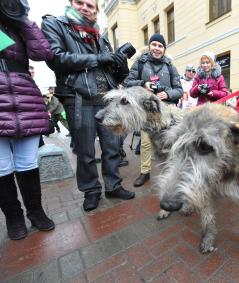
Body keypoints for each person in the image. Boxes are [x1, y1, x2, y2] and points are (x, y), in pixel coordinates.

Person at [41, 0, 135, 211]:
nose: (85, 7)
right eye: (79, 2)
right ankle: (91, 191)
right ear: (71, 4)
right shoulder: (55, 24)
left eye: (90, 5)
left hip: (108, 100)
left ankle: (113, 185)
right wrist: (97, 58)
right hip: (78, 98)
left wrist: (120, 66)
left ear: (95, 11)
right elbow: (55, 58)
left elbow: (113, 72)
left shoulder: (100, 36)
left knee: (112, 148)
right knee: (85, 152)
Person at [0, 0, 55, 240]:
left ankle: (36, 212)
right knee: (1, 168)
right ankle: (14, 217)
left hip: (25, 100)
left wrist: (21, 17)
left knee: (28, 163)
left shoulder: (16, 25)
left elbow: (43, 52)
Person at [125, 33, 183, 187]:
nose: (157, 48)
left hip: (168, 110)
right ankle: (145, 172)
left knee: (171, 142)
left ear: (164, 49)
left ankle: (172, 172)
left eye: (160, 46)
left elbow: (179, 90)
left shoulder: (170, 66)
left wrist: (168, 93)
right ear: (149, 46)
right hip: (147, 110)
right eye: (154, 45)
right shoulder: (140, 63)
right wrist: (143, 84)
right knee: (145, 143)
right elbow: (128, 83)